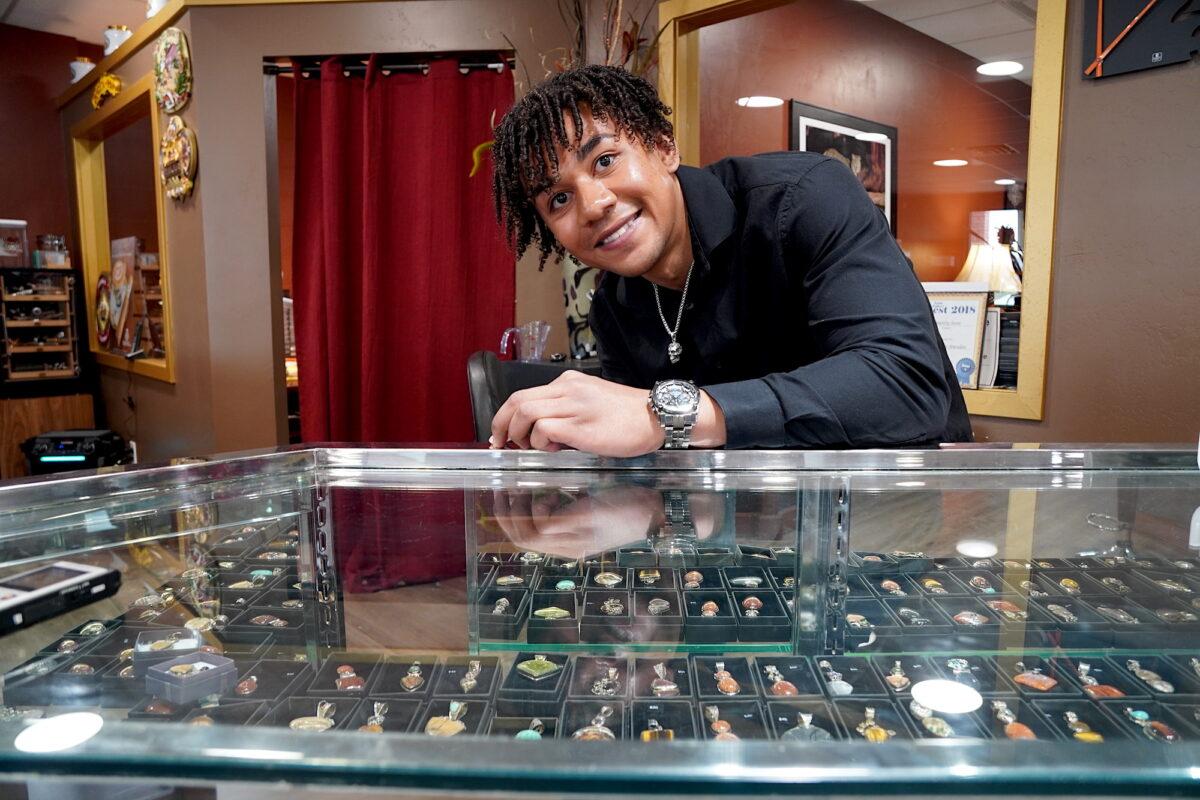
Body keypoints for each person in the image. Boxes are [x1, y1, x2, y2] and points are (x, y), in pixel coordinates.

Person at [488, 65, 971, 456]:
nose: (592, 205)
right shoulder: (615, 307)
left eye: (605, 161)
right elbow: (655, 469)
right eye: (557, 199)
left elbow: (908, 385)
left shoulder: (803, 200)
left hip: (895, 533)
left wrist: (665, 414)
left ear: (663, 146)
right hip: (748, 548)